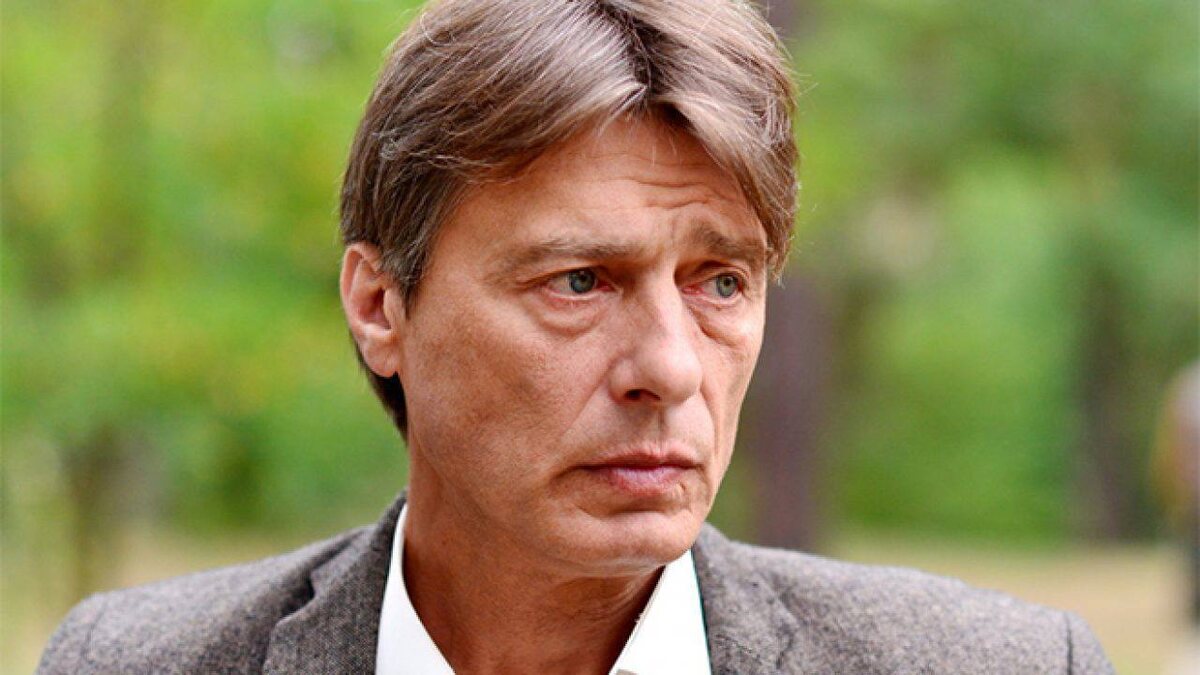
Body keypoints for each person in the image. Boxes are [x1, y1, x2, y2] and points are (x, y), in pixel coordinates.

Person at [38, 1, 1114, 672]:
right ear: (380, 307)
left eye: (721, 282)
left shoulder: (1009, 665)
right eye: (580, 281)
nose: (671, 369)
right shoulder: (129, 663)